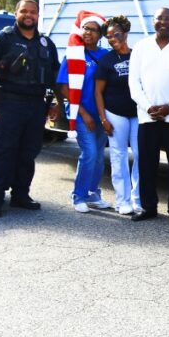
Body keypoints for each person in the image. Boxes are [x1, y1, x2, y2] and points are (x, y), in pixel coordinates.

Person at [0, 0, 60, 218]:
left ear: (38, 15)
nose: (28, 15)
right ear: (16, 13)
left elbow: (54, 77)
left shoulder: (46, 43)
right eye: (24, 11)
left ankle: (20, 195)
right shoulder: (2, 40)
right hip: (9, 102)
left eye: (32, 12)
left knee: (29, 152)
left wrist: (56, 103)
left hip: (36, 105)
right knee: (4, 151)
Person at [128, 8, 169, 224]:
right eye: (160, 18)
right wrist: (148, 107)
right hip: (148, 117)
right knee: (147, 164)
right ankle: (148, 207)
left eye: (168, 19)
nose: (164, 22)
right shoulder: (141, 47)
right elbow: (133, 83)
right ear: (153, 22)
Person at [57, 11, 110, 213]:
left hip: (101, 114)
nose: (88, 33)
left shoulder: (105, 56)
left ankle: (93, 194)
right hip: (81, 114)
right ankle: (78, 195)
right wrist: (85, 114)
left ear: (100, 34)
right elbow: (63, 88)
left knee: (98, 157)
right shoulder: (73, 53)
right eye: (86, 28)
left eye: (93, 30)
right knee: (89, 154)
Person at [94, 15, 140, 215]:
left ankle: (138, 198)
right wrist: (103, 118)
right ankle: (123, 201)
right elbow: (97, 92)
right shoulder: (106, 60)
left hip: (138, 114)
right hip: (115, 114)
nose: (113, 39)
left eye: (116, 34)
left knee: (141, 155)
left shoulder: (138, 55)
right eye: (109, 36)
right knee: (118, 156)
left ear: (126, 33)